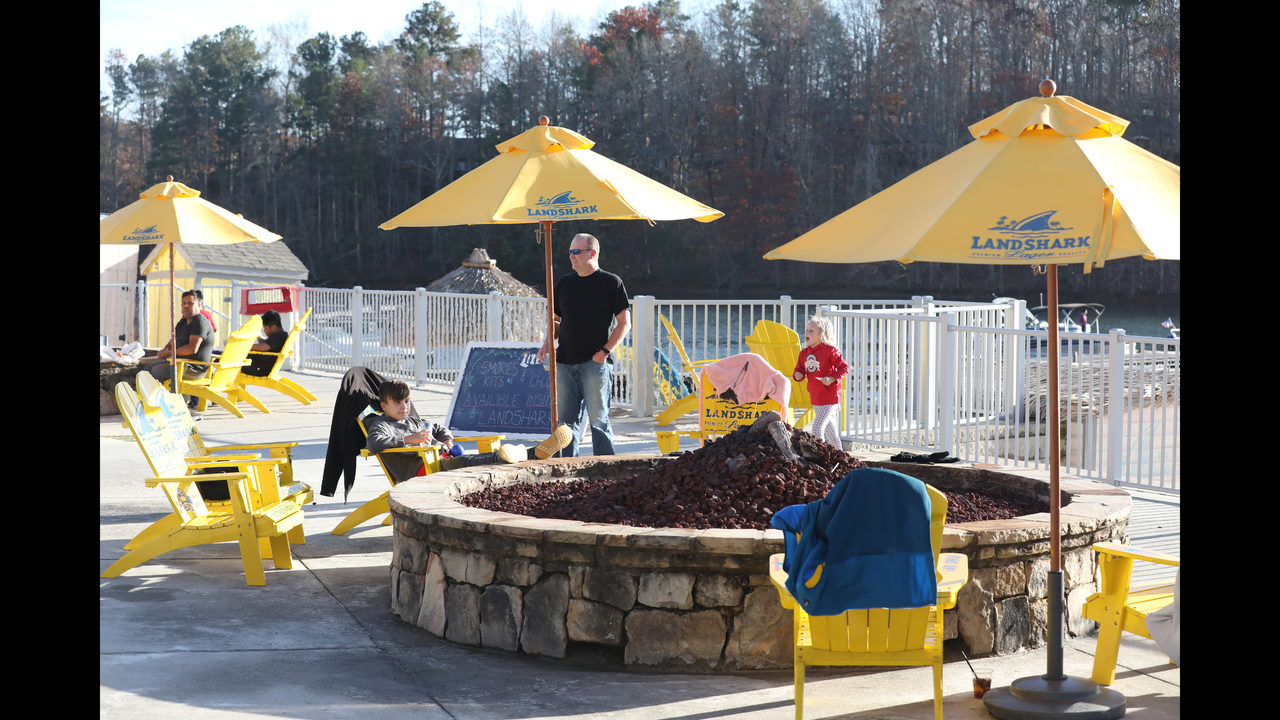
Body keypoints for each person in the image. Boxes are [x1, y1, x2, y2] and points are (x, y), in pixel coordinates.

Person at [364, 379, 573, 484]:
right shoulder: (381, 425)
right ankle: (529, 453)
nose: (404, 407)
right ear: (384, 406)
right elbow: (373, 443)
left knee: (473, 460)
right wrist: (409, 439)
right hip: (424, 470)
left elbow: (437, 428)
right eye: (397, 403)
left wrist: (447, 441)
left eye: (407, 402)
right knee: (473, 462)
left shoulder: (413, 420)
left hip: (441, 460)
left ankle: (530, 453)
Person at [536, 233, 631, 457]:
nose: (572, 256)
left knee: (599, 421)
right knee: (565, 424)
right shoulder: (565, 283)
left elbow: (625, 323)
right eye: (570, 251)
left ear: (592, 253)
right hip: (564, 362)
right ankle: (566, 468)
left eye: (577, 252)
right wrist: (547, 344)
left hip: (594, 364)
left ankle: (604, 468)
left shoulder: (611, 282)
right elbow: (556, 321)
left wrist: (604, 352)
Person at [143, 290, 215, 402]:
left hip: (194, 369)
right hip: (181, 364)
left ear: (200, 304)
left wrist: (171, 353)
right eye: (183, 303)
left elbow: (192, 348)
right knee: (147, 369)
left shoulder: (200, 322)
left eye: (190, 303)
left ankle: (169, 402)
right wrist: (165, 350)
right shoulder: (183, 322)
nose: (186, 306)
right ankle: (158, 401)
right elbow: (173, 341)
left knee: (156, 371)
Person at [793, 316, 849, 450]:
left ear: (822, 335)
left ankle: (821, 455)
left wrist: (832, 378)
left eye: (811, 331)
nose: (806, 333)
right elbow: (799, 369)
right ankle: (841, 455)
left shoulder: (830, 351)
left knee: (817, 428)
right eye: (807, 330)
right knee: (831, 431)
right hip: (815, 397)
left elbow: (844, 368)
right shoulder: (804, 353)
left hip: (830, 397)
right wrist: (798, 375)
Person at [243, 310, 288, 377]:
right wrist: (258, 335)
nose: (264, 331)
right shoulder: (282, 335)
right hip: (264, 365)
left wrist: (245, 346)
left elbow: (263, 347)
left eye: (265, 328)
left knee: (241, 357)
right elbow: (265, 344)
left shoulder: (278, 336)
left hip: (261, 370)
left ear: (273, 327)